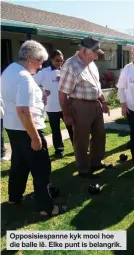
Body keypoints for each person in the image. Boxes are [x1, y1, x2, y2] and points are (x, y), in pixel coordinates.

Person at [1, 40, 66, 216]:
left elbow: (17, 100)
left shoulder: (9, 71)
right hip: (28, 129)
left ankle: (14, 197)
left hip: (12, 127)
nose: (40, 66)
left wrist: (39, 95)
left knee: (19, 165)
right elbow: (22, 110)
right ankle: (46, 208)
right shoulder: (24, 77)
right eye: (39, 62)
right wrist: (35, 137)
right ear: (30, 57)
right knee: (41, 169)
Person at [59, 37, 110, 179]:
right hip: (80, 105)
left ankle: (96, 162)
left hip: (95, 104)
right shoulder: (71, 65)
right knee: (81, 138)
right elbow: (62, 93)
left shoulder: (92, 64)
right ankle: (83, 168)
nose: (96, 55)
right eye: (94, 52)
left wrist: (103, 101)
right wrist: (66, 114)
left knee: (100, 135)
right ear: (84, 50)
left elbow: (97, 87)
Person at [34, 49, 73, 159]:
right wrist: (42, 91)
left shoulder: (66, 71)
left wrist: (64, 80)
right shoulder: (44, 72)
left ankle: (77, 147)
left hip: (66, 105)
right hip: (52, 107)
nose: (60, 63)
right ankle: (59, 150)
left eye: (62, 61)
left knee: (71, 127)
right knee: (56, 130)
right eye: (57, 60)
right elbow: (32, 83)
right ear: (51, 59)